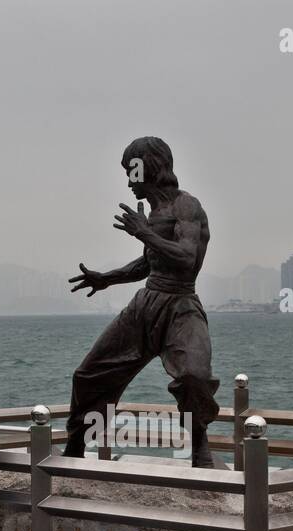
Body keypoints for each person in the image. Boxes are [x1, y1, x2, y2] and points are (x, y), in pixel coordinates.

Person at [65, 136, 220, 467]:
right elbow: (149, 263)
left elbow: (187, 258)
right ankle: (76, 444)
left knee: (194, 376)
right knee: (89, 374)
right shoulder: (153, 212)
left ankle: (199, 445)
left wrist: (143, 233)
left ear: (149, 167)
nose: (128, 180)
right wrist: (106, 278)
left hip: (181, 305)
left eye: (131, 170)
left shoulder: (186, 205)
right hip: (145, 303)